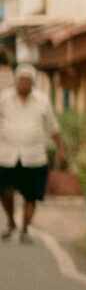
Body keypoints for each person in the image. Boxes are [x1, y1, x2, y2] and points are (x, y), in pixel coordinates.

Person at [2, 66, 57, 243]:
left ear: (33, 82)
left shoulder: (42, 101)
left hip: (34, 156)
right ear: (16, 81)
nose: (24, 83)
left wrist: (61, 151)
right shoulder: (4, 99)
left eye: (27, 80)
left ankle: (24, 230)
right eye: (21, 80)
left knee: (31, 195)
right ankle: (11, 222)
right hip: (6, 154)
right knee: (4, 190)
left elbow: (53, 127)